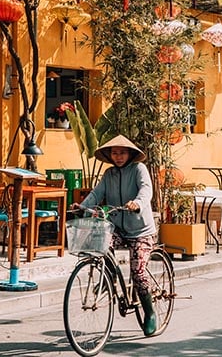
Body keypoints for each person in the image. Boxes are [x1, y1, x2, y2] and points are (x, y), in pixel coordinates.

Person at [75, 135, 158, 336]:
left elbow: (147, 191)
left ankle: (150, 313)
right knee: (100, 242)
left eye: (122, 152)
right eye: (114, 153)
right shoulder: (109, 173)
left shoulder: (139, 170)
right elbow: (96, 193)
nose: (118, 156)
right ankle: (107, 277)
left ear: (130, 154)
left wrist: (137, 203)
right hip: (118, 228)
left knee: (138, 273)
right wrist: (82, 206)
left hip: (140, 231)